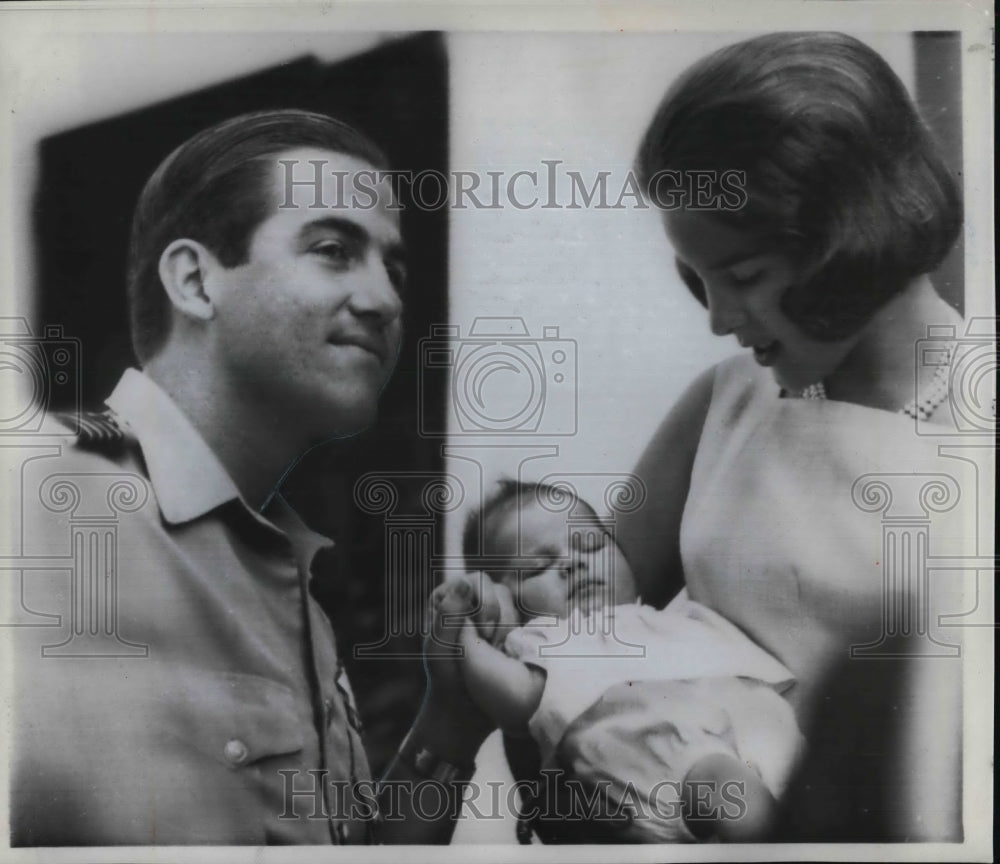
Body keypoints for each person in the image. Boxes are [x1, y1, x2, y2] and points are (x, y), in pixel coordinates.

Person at [9, 109, 491, 845]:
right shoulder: (36, 499)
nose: (387, 301)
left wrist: (451, 721)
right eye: (334, 249)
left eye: (393, 269)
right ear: (197, 281)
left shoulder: (292, 581)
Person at [561, 32, 966, 842]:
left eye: (743, 277)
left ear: (851, 233)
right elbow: (576, 624)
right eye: (698, 280)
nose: (717, 319)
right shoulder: (726, 399)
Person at [437, 479, 805, 842]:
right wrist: (465, 639)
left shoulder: (670, 621)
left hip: (751, 747)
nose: (573, 563)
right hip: (667, 760)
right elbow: (515, 697)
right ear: (506, 600)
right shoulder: (547, 640)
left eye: (592, 545)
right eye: (537, 567)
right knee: (734, 793)